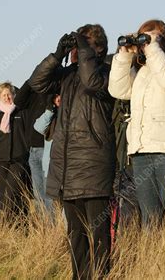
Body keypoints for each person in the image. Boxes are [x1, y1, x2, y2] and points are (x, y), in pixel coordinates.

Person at [29, 24, 115, 279]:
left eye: (83, 43)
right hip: (67, 168)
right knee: (75, 234)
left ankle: (101, 275)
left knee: (98, 234)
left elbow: (91, 83)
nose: (77, 50)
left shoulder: (107, 70)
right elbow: (37, 82)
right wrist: (57, 55)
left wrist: (84, 47)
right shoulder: (66, 75)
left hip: (93, 165)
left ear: (96, 47)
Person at [108, 19, 165, 226]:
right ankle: (154, 256)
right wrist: (124, 54)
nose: (145, 43)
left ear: (164, 38)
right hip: (142, 150)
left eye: (151, 36)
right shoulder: (143, 70)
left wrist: (152, 46)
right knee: (150, 219)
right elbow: (117, 90)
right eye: (143, 38)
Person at [0, 82, 32, 221]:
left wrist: (26, 148)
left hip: (18, 158)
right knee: (3, 193)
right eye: (4, 95)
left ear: (14, 94)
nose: (7, 97)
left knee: (12, 191)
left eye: (9, 94)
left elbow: (29, 132)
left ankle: (8, 222)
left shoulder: (21, 112)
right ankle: (11, 225)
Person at [13, 80, 51, 209]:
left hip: (48, 147)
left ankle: (53, 225)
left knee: (48, 191)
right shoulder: (32, 95)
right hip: (33, 148)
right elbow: (17, 100)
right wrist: (31, 80)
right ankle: (44, 226)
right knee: (38, 192)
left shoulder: (52, 91)